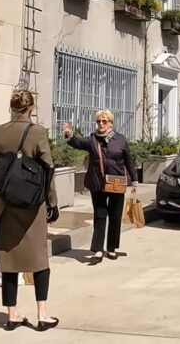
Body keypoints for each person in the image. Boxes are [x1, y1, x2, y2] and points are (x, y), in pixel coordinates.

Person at [0, 90, 60, 331]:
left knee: (8, 259)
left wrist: (1, 176)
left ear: (11, 108)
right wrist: (52, 202)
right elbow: (48, 169)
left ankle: (12, 314)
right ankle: (42, 314)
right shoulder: (38, 132)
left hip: (6, 201)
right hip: (33, 203)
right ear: (31, 109)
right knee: (39, 258)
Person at [63, 109, 138, 262]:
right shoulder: (92, 140)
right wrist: (68, 134)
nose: (101, 124)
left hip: (116, 182)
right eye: (98, 121)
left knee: (115, 216)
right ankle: (97, 249)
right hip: (97, 182)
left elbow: (128, 161)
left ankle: (111, 248)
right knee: (100, 215)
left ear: (111, 123)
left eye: (104, 121)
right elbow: (77, 142)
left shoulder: (120, 139)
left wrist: (134, 180)